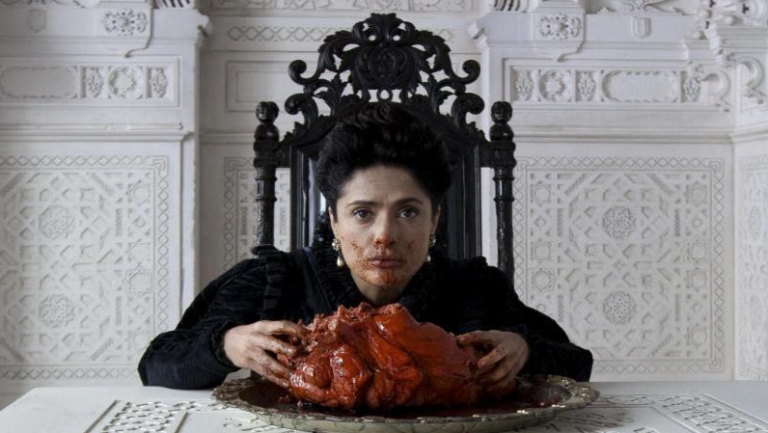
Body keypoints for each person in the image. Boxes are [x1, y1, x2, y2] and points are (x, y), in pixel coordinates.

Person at [138, 102, 593, 390]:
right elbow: (156, 363)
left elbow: (577, 363)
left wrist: (524, 349)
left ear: (435, 218)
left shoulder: (474, 288)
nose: (384, 234)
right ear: (334, 219)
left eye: (408, 211)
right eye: (362, 213)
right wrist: (227, 344)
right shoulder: (274, 283)